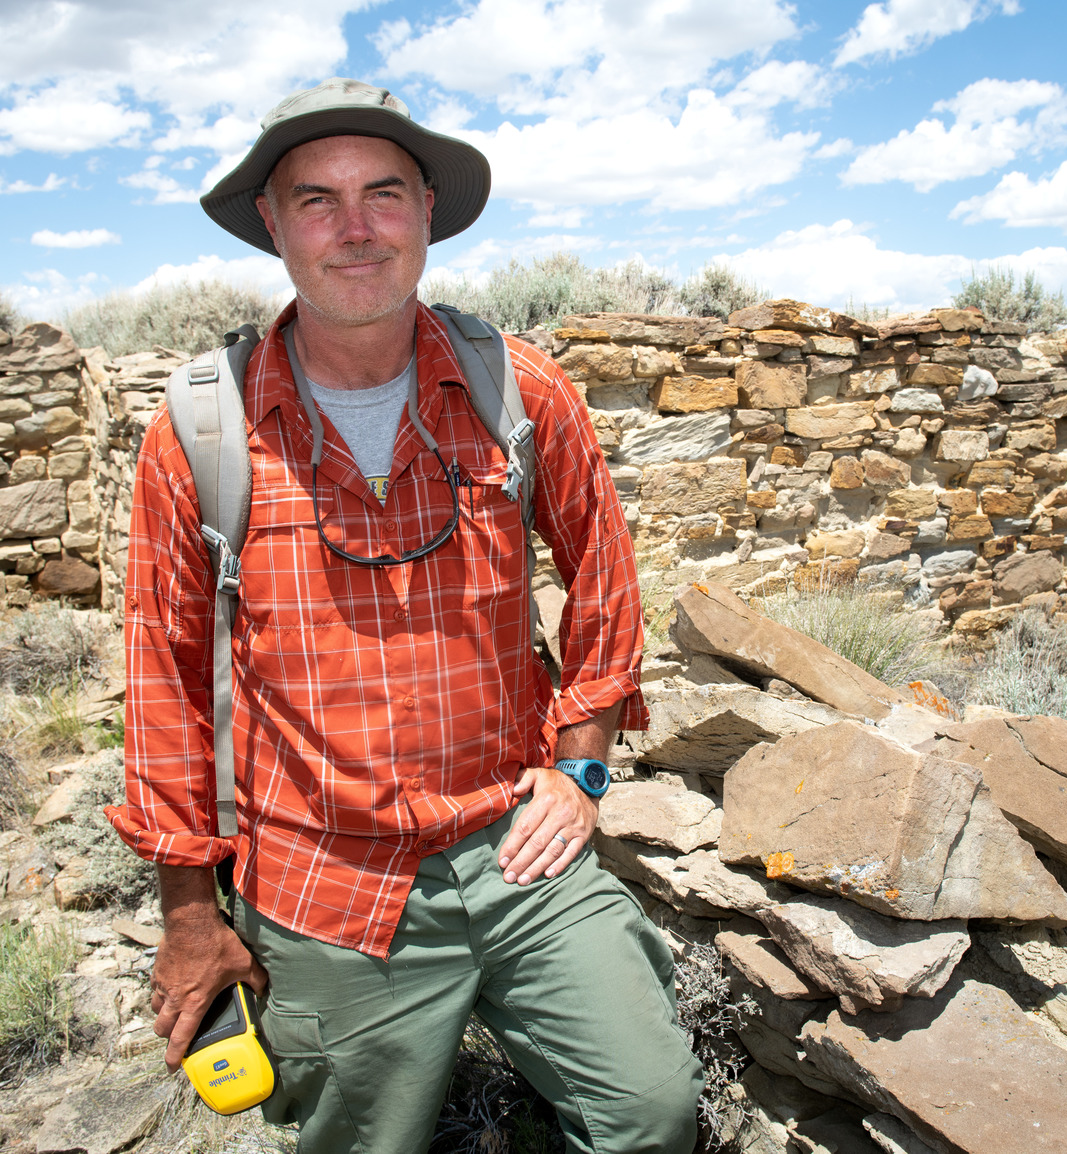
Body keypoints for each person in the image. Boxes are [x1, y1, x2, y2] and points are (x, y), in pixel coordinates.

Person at [107, 76, 703, 1154]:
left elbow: (606, 594)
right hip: (325, 881)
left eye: (382, 193)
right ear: (273, 226)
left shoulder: (518, 393)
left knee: (648, 1112)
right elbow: (162, 683)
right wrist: (191, 916)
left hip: (517, 847)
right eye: (317, 200)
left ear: (428, 211)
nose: (355, 229)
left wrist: (583, 770)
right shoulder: (200, 433)